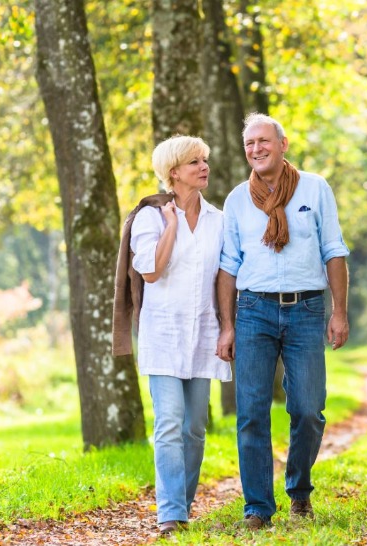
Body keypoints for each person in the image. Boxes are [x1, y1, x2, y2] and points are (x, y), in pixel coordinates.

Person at [215, 113, 350, 528]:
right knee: (252, 411)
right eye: (249, 144)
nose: (256, 149)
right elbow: (228, 267)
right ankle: (257, 506)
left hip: (307, 309)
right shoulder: (237, 199)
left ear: (283, 143)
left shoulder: (315, 188)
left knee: (308, 409)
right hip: (253, 310)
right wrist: (227, 325)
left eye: (263, 141)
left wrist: (339, 312)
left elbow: (334, 250)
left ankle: (299, 489)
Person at [123, 135, 232, 536]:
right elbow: (151, 270)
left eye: (204, 159)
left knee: (195, 427)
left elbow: (225, 277)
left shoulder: (218, 220)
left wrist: (228, 326)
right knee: (169, 423)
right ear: (173, 172)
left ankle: (181, 504)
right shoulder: (149, 217)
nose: (204, 167)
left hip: (203, 333)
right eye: (194, 162)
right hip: (164, 333)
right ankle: (170, 514)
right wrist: (171, 226)